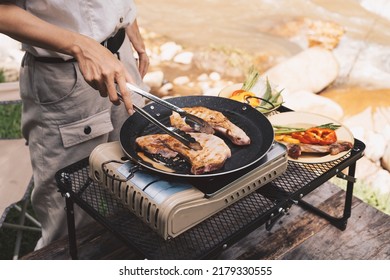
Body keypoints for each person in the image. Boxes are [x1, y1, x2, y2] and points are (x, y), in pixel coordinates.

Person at [0, 0, 150, 249]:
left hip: (122, 60)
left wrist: (128, 22)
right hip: (66, 76)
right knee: (70, 227)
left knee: (138, 196)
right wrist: (82, 46)